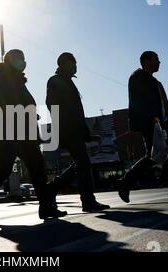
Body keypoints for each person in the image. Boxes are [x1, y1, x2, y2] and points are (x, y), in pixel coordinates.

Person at [0, 49, 66, 223]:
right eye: (19, 58)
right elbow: (5, 105)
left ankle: (45, 206)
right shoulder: (4, 79)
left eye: (24, 58)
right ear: (10, 61)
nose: (23, 61)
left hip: (21, 130)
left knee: (34, 167)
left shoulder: (15, 79)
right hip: (9, 131)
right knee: (5, 170)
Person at [118, 51, 168, 202]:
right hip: (152, 123)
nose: (159, 62)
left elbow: (161, 103)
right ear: (147, 60)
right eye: (157, 60)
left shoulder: (153, 80)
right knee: (154, 156)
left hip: (164, 123)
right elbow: (137, 101)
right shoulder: (138, 77)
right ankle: (126, 181)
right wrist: (151, 118)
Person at [46, 52, 110, 212]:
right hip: (68, 130)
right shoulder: (55, 81)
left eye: (75, 63)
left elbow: (78, 112)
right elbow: (51, 104)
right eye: (71, 63)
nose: (75, 66)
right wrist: (66, 125)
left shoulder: (68, 82)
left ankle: (53, 189)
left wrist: (86, 133)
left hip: (74, 130)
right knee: (84, 163)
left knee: (81, 164)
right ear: (62, 64)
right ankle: (88, 201)